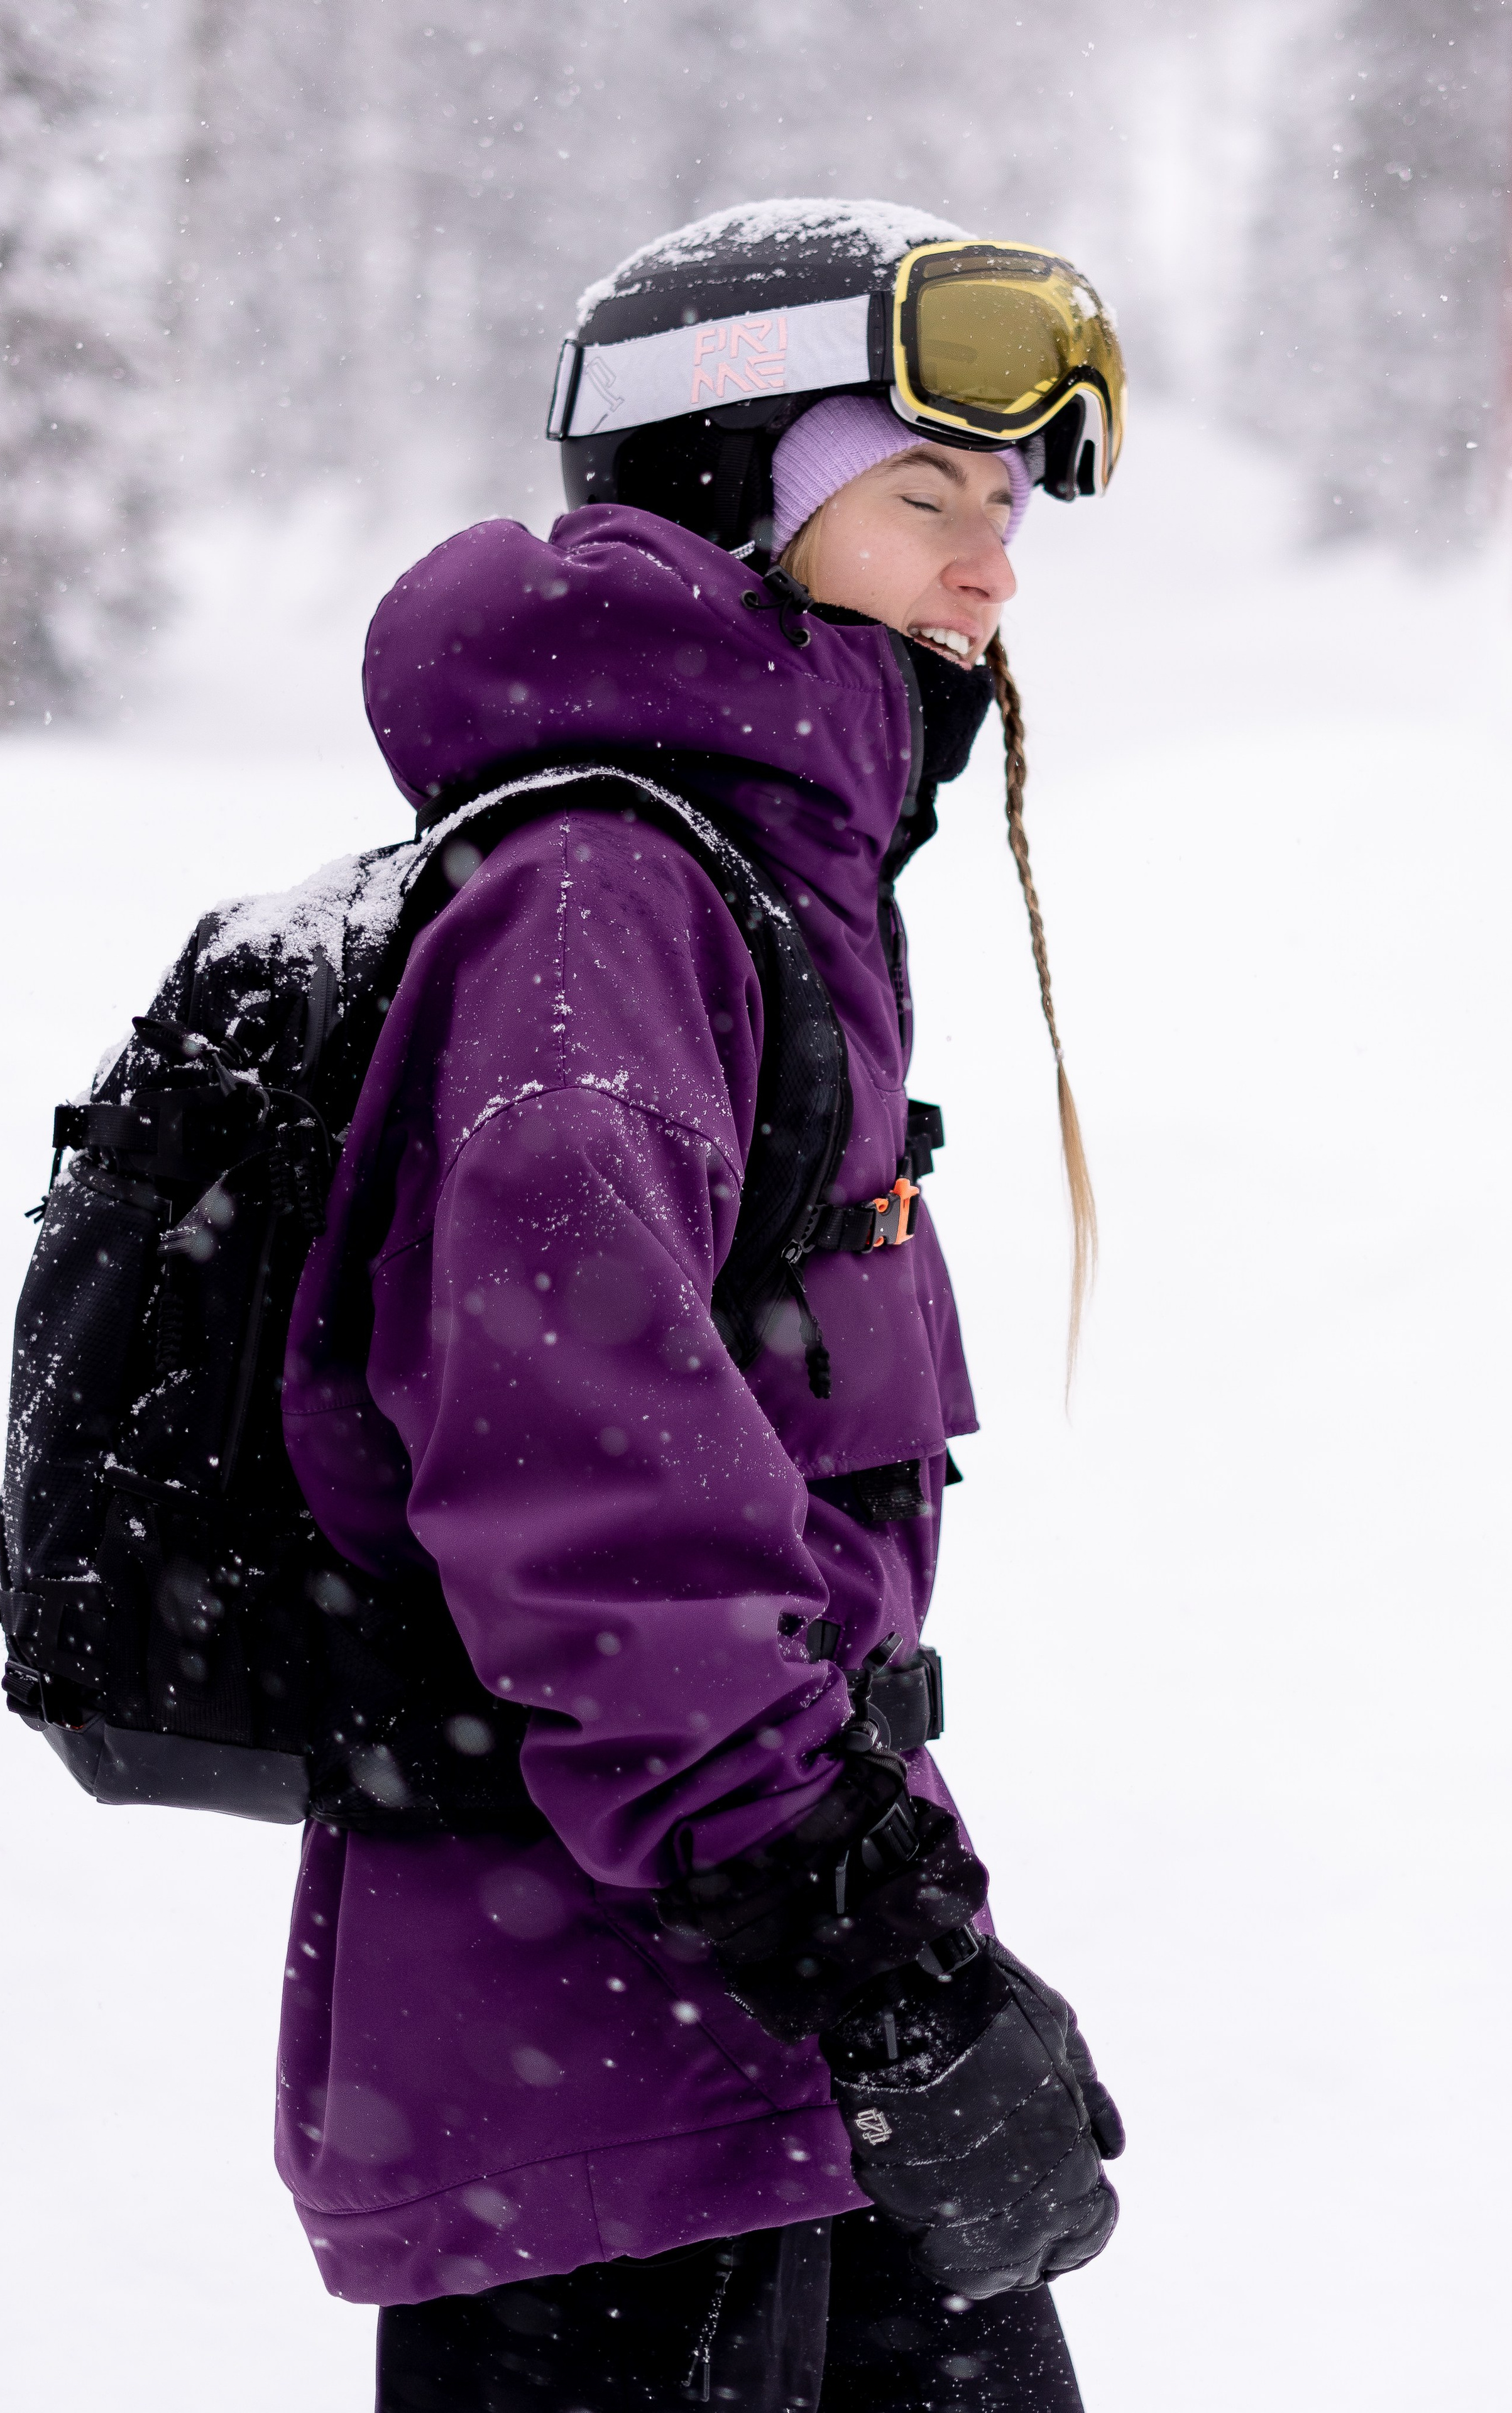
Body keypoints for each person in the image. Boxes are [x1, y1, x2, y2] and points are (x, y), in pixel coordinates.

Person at [277, 200, 1127, 2413]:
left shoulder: (751, 872)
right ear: (727, 500)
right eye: (923, 493)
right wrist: (887, 1976)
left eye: (1008, 508)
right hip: (631, 2108)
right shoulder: (611, 898)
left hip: (722, 2072)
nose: (989, 567)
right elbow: (586, 1501)